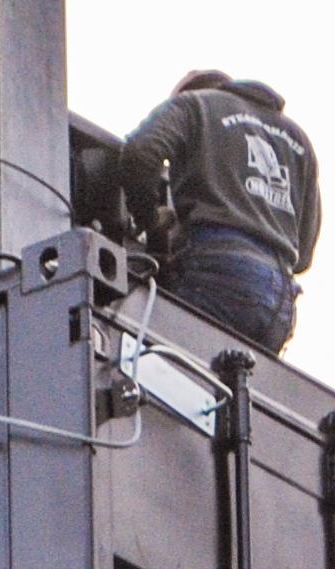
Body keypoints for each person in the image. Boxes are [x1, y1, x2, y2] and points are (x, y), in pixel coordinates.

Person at [115, 71, 323, 356]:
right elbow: (304, 255)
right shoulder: (298, 139)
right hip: (278, 301)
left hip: (215, 271)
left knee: (152, 361)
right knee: (235, 379)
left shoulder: (194, 104)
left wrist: (150, 220)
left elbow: (141, 152)